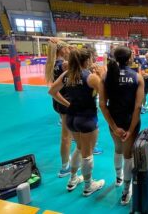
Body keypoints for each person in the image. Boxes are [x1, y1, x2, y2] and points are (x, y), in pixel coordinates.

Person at [48, 48, 105, 196]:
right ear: (86, 61)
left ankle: (73, 179)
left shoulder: (67, 74)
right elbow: (106, 95)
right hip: (87, 118)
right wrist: (101, 74)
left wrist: (68, 104)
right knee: (87, 153)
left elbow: (52, 91)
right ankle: (88, 185)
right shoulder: (90, 77)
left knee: (79, 148)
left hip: (71, 118)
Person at [99, 46, 144, 205]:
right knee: (128, 155)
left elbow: (103, 105)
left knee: (118, 149)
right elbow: (138, 107)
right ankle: (126, 192)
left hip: (115, 122)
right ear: (130, 58)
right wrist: (131, 130)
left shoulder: (106, 76)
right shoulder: (137, 77)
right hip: (130, 121)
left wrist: (114, 126)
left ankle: (118, 179)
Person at [44, 39, 72, 178]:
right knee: (66, 137)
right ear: (61, 50)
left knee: (69, 133)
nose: (68, 50)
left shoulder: (53, 63)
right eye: (66, 48)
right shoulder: (64, 65)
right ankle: (65, 167)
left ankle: (67, 161)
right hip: (65, 101)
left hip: (58, 101)